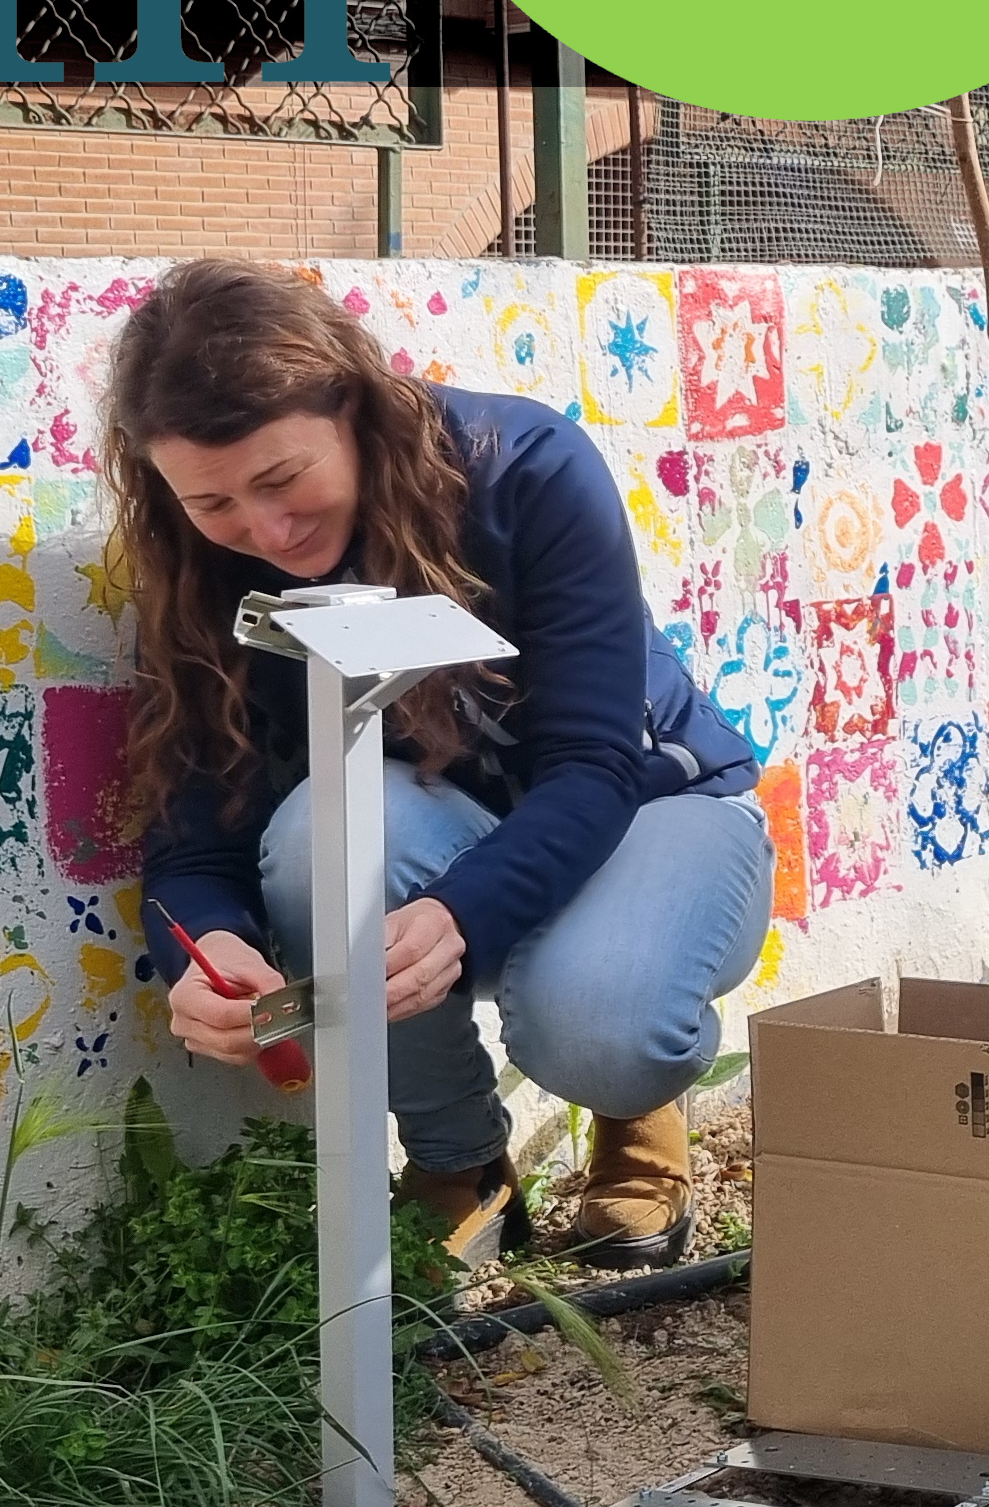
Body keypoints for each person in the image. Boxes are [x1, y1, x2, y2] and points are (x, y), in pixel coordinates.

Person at [105, 260, 769, 1269]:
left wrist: (464, 915)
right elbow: (196, 836)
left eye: (283, 480)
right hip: (451, 831)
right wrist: (208, 948)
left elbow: (593, 765)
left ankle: (636, 1111)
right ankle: (459, 1164)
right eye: (214, 502)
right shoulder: (200, 575)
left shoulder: (527, 467)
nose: (267, 532)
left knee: (594, 1020)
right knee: (320, 842)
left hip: (651, 808)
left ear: (356, 409)